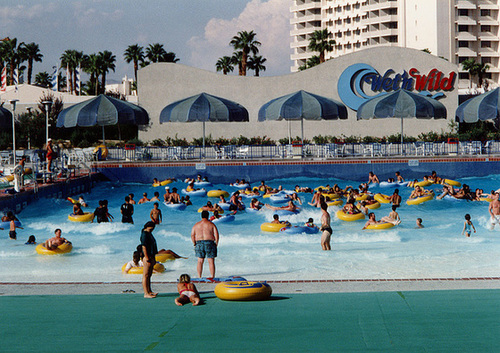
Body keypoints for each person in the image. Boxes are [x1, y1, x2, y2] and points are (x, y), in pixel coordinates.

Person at [191, 210, 219, 279]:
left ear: (201, 216)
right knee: (211, 261)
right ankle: (212, 277)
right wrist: (216, 244)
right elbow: (216, 235)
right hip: (209, 242)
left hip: (199, 243)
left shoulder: (196, 225)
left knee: (200, 261)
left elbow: (192, 235)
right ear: (208, 216)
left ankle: (199, 276)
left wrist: (194, 243)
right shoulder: (211, 224)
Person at [140, 221, 158, 298]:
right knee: (146, 275)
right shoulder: (144, 234)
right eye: (151, 229)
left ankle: (150, 291)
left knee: (149, 275)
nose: (152, 230)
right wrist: (147, 258)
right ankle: (146, 293)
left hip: (151, 255)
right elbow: (144, 247)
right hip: (146, 256)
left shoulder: (149, 233)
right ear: (146, 227)